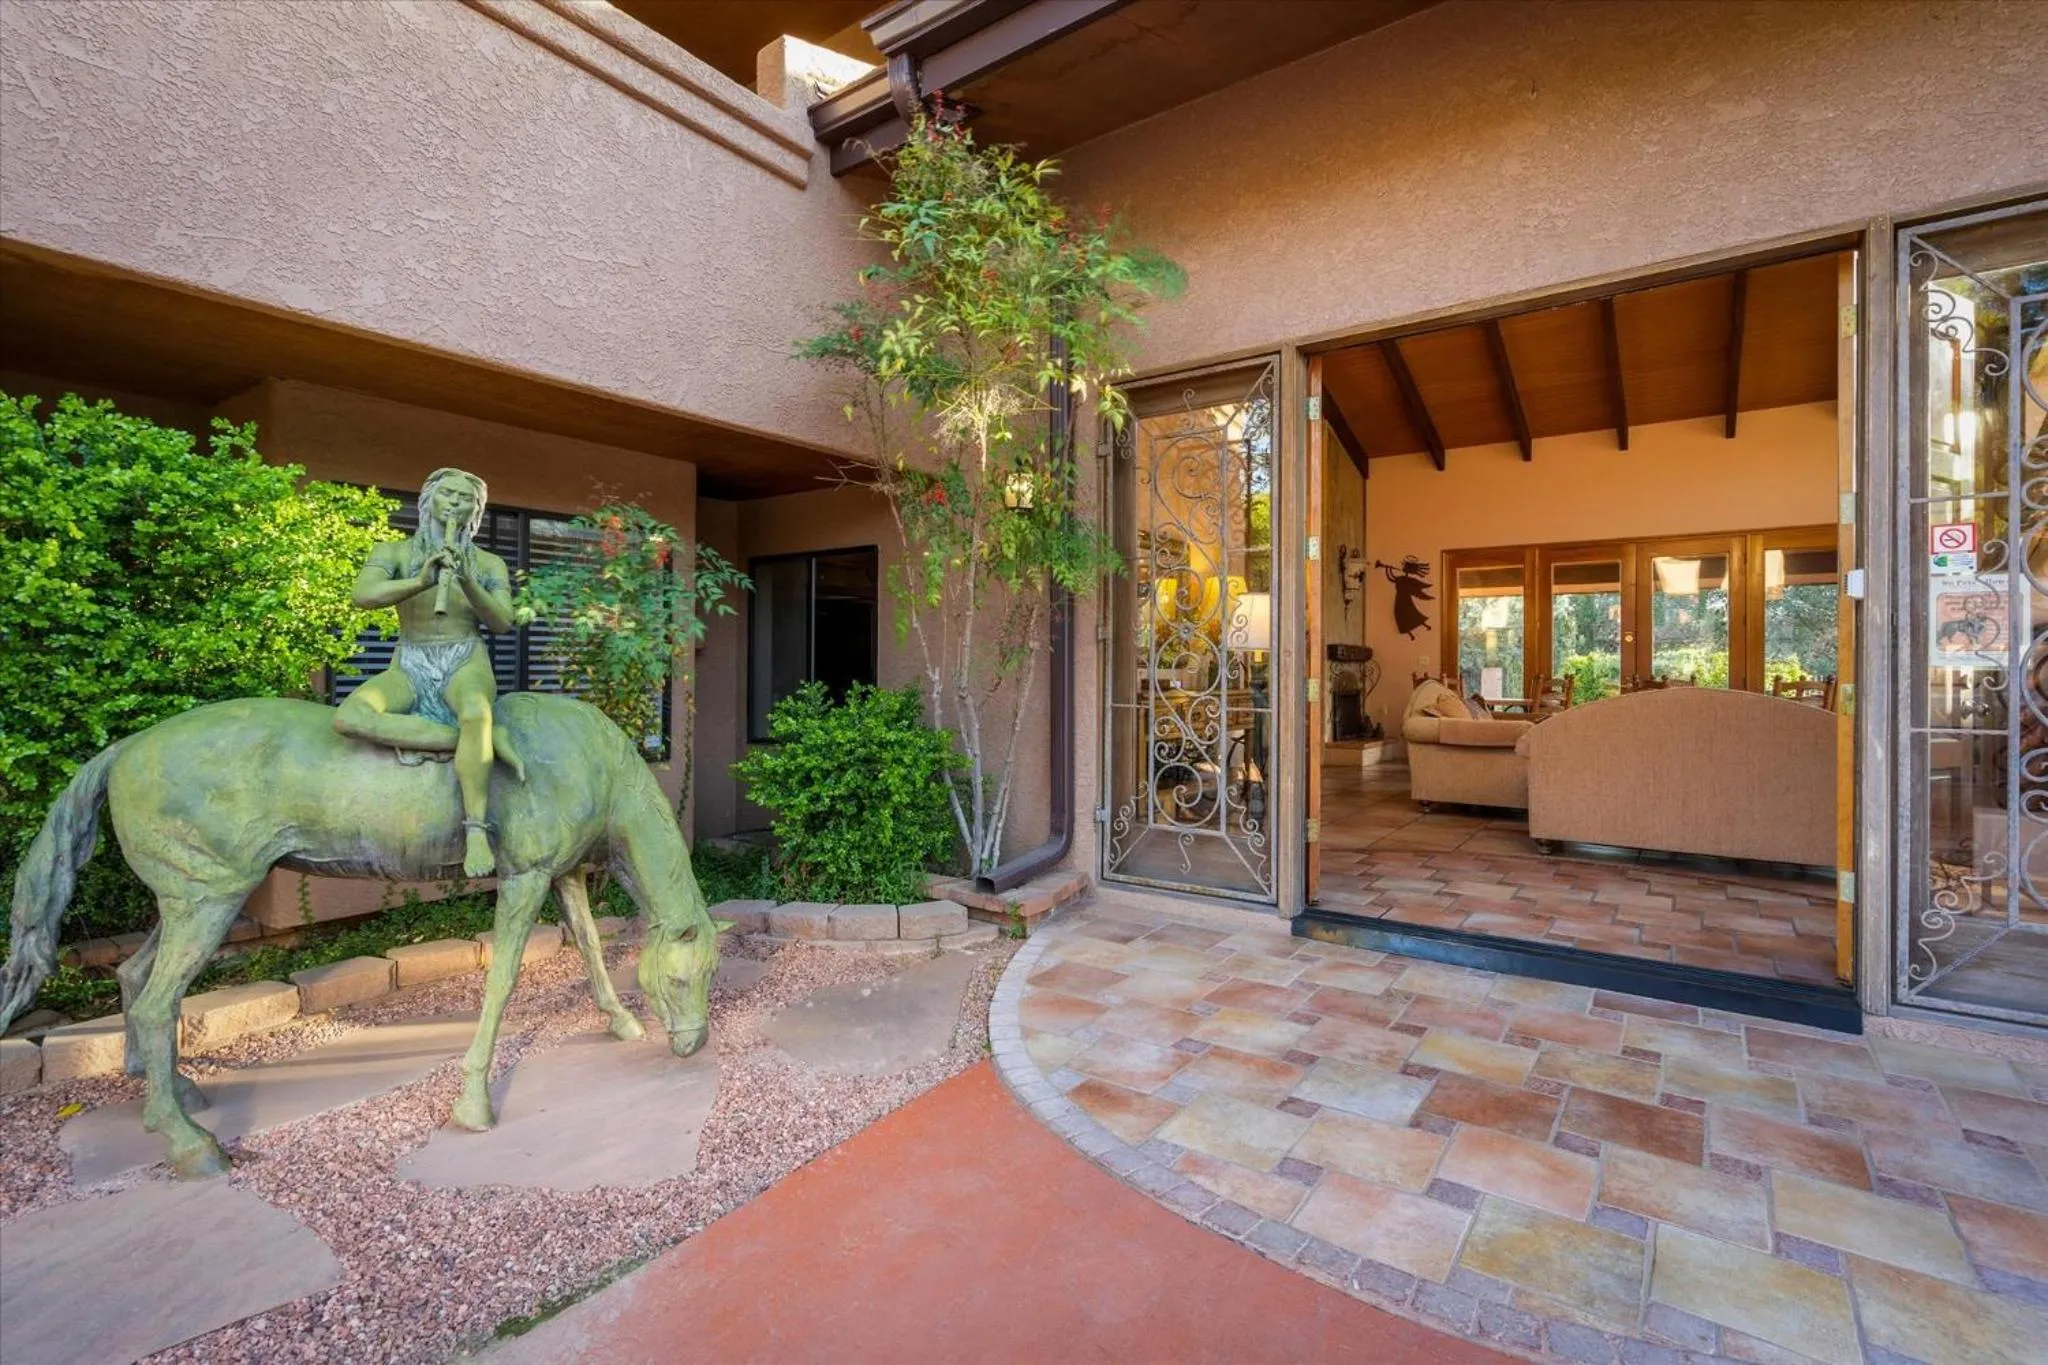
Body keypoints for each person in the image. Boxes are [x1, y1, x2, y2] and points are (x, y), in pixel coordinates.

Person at [334, 467, 523, 877]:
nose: (454, 503)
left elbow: (503, 621)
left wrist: (468, 580)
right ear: (429, 500)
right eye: (447, 495)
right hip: (411, 660)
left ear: (476, 510)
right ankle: (477, 741)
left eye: (464, 499)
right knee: (349, 716)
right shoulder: (393, 552)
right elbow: (362, 596)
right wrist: (421, 581)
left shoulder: (490, 563)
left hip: (464, 658)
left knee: (475, 710)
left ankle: (475, 830)